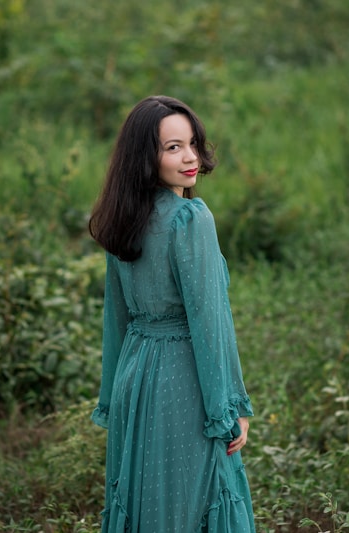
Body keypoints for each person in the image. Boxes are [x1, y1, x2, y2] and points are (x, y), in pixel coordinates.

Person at [88, 95, 256, 533]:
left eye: (193, 143)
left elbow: (117, 322)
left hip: (135, 377)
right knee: (196, 502)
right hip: (183, 380)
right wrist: (229, 407)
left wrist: (115, 395)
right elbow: (210, 322)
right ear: (146, 157)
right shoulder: (190, 218)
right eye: (172, 147)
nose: (191, 158)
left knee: (145, 505)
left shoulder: (121, 218)